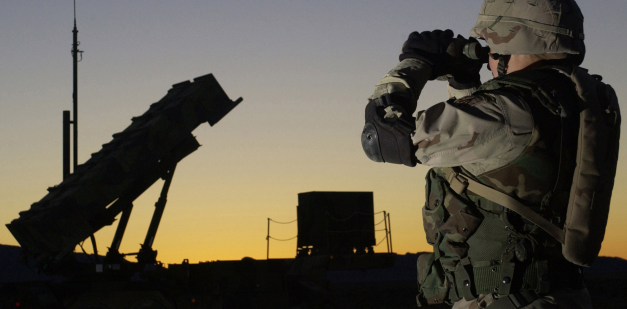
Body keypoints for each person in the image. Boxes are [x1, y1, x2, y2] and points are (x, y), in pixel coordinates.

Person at [361, 0, 620, 308]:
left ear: (515, 45)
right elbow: (482, 157)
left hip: (504, 298)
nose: (488, 61)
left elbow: (382, 138)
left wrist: (416, 62)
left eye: (493, 50)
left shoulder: (507, 111)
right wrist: (464, 82)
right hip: (557, 295)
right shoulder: (572, 101)